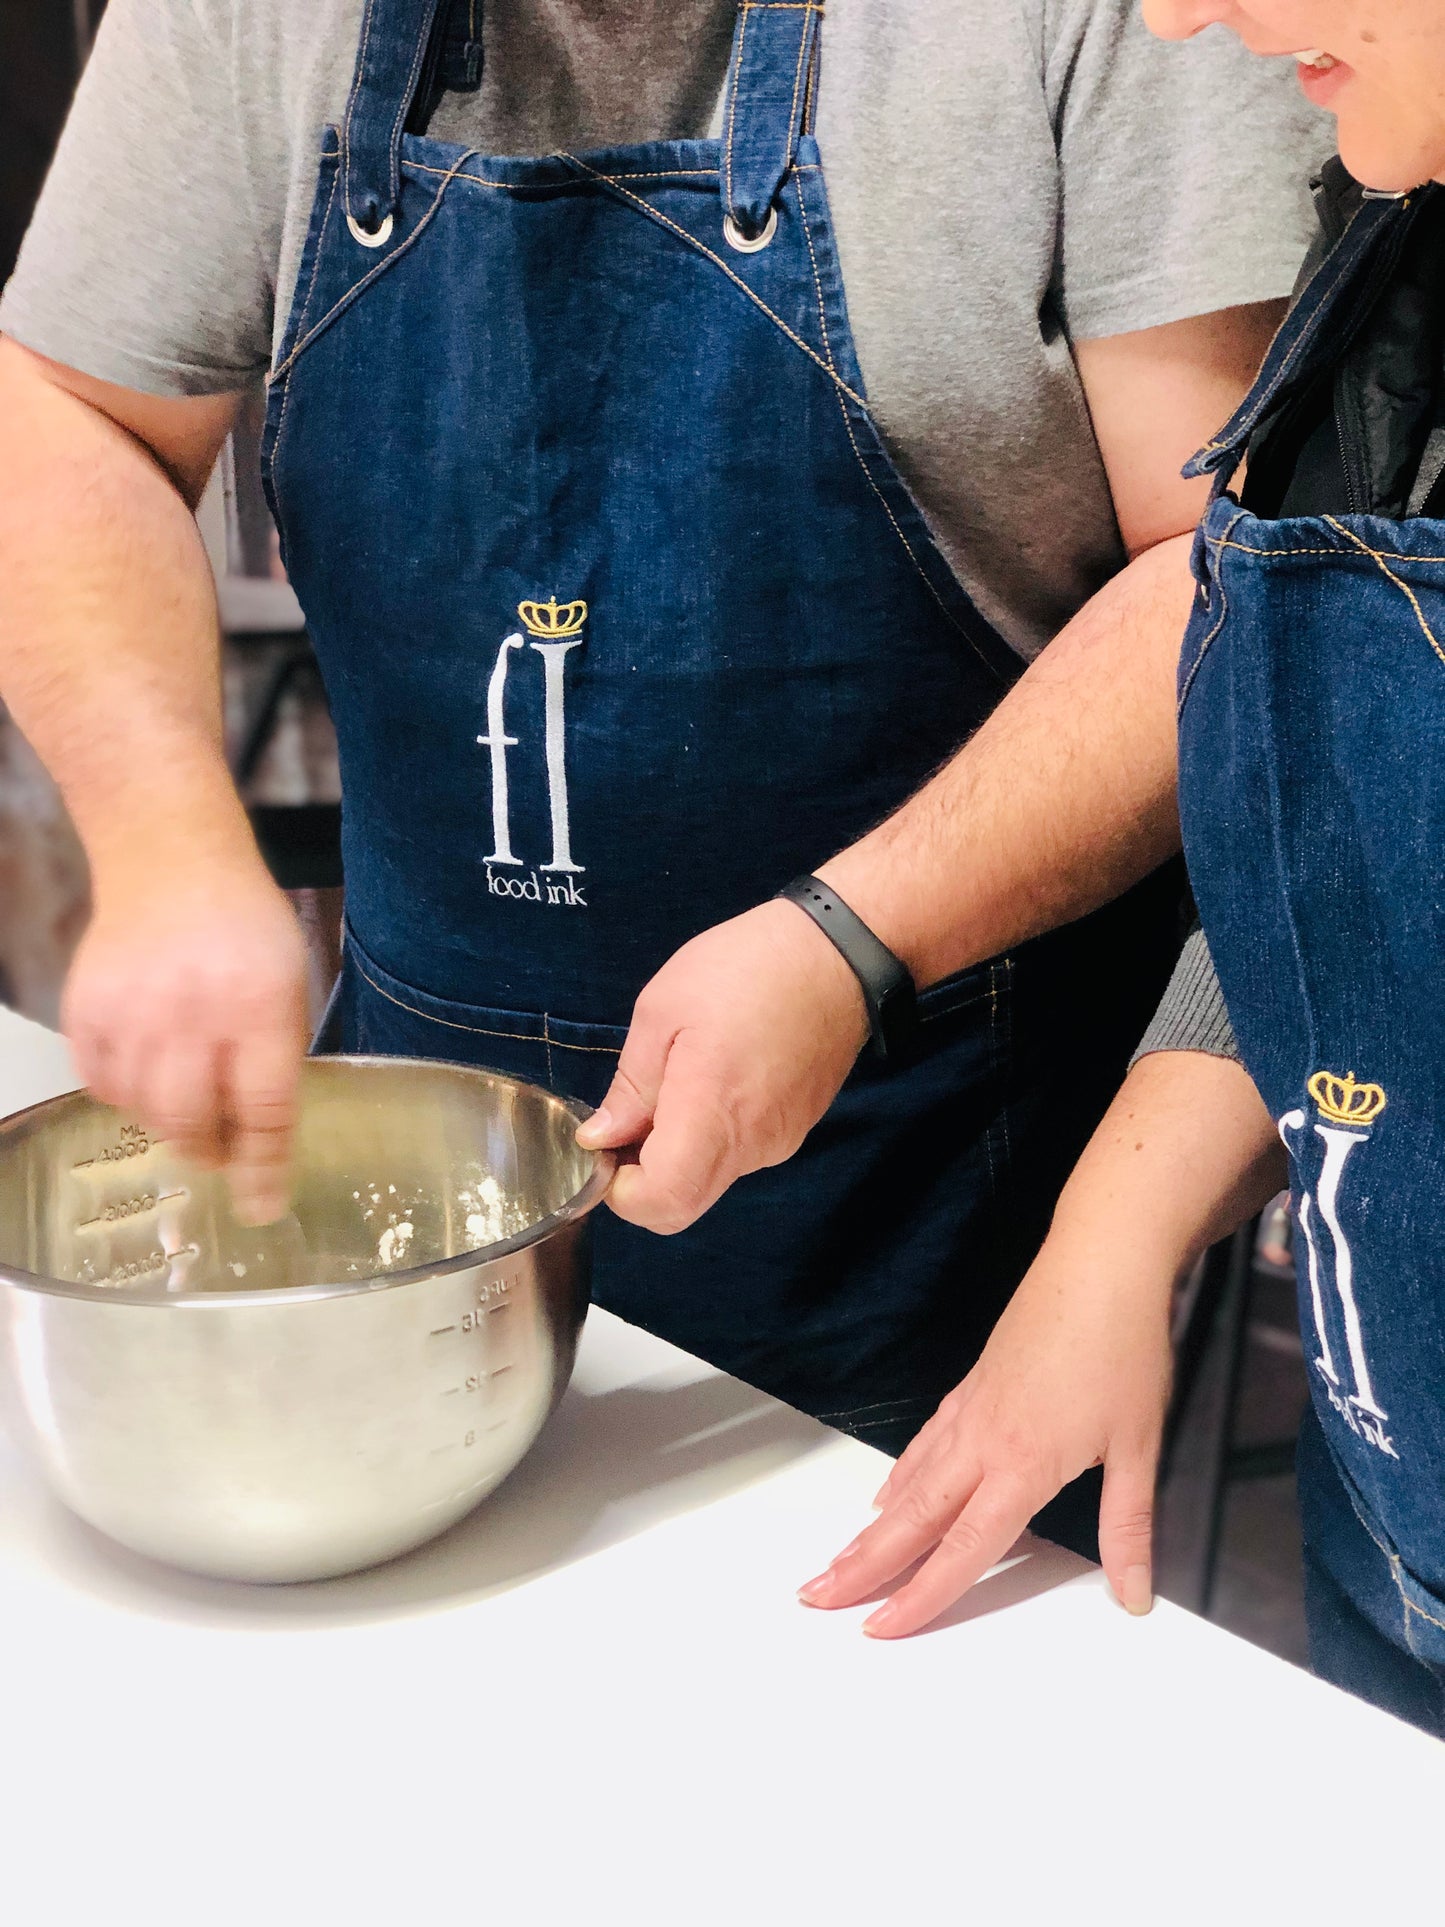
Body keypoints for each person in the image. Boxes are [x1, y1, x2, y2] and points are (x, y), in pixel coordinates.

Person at [0, 2, 1326, 1494]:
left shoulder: (1104, 25)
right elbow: (67, 413)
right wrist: (167, 842)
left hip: (932, 1173)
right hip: (431, 1152)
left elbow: (1232, 582)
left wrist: (854, 934)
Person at [803, 0, 1445, 1736]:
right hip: (1389, 1547)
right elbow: (1354, 854)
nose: (1174, 13)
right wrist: (1110, 1238)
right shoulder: (1394, 270)